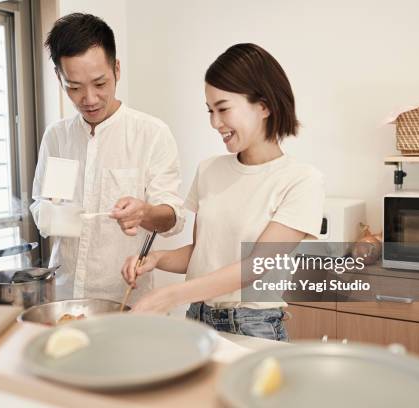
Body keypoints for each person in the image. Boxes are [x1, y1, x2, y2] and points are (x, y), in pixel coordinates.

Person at [121, 43, 324, 341]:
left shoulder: (301, 180)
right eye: (210, 111)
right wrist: (158, 258)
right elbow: (202, 253)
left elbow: (256, 265)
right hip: (197, 319)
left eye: (223, 108)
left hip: (254, 326)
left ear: (264, 106)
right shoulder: (209, 170)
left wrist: (170, 296)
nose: (215, 123)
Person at [30, 13, 184, 302]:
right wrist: (56, 212)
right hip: (63, 296)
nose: (88, 98)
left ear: (117, 69)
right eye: (73, 87)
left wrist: (145, 213)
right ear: (58, 77)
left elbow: (174, 218)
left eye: (100, 83)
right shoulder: (56, 137)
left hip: (125, 299)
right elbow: (41, 207)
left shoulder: (151, 133)